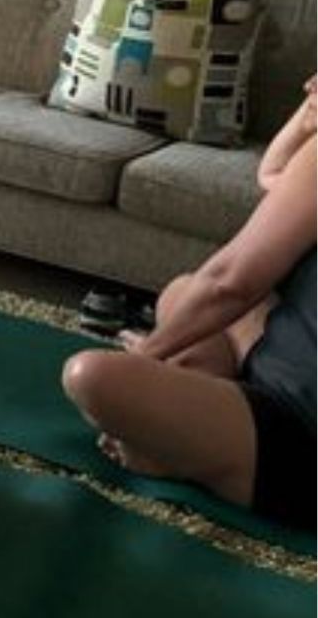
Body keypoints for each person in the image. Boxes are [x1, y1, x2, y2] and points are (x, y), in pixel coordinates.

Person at [62, 79, 316, 530]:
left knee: (92, 376)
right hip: (284, 357)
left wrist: (148, 353)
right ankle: (196, 420)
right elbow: (274, 172)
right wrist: (307, 118)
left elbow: (230, 283)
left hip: (299, 435)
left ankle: (181, 448)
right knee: (182, 292)